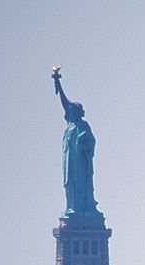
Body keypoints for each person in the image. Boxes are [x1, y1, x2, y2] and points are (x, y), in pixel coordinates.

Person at [53, 68, 100, 217]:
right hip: (70, 163)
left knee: (80, 183)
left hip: (81, 164)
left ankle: (84, 208)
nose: (69, 111)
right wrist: (57, 82)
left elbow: (91, 141)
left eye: (73, 110)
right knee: (70, 184)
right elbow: (64, 102)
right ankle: (72, 207)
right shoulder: (70, 125)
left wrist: (85, 141)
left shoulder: (83, 125)